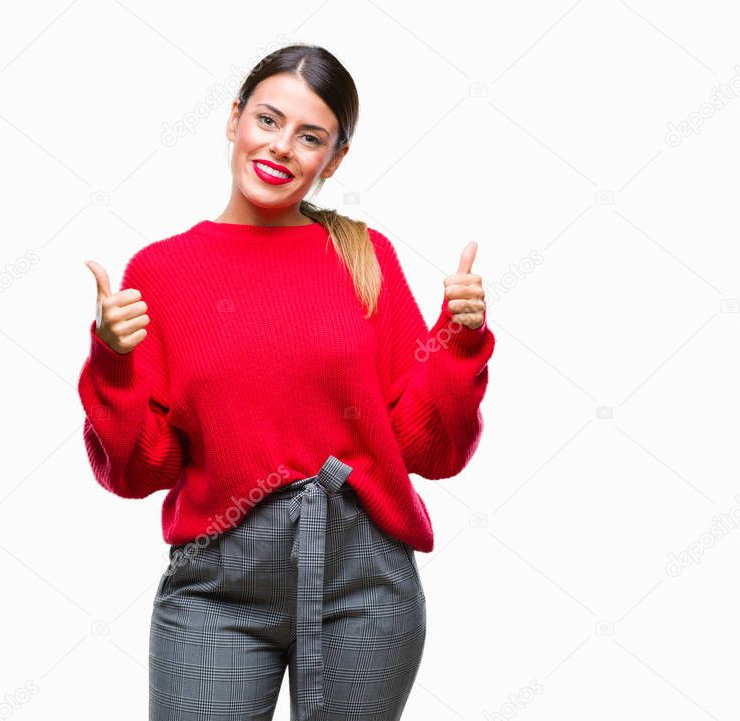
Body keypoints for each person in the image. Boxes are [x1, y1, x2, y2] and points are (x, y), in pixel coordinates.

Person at [77, 44, 495, 721]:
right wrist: (113, 360)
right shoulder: (161, 272)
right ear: (234, 118)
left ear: (334, 159)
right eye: (267, 120)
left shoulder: (364, 257)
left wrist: (461, 340)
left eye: (310, 137)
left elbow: (430, 452)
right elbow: (139, 469)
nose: (281, 148)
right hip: (216, 586)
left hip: (364, 584)